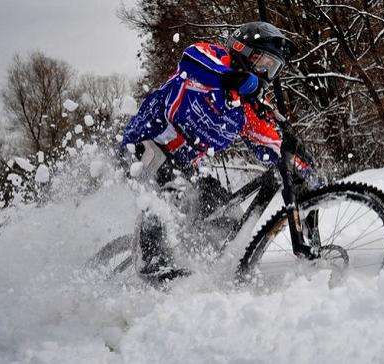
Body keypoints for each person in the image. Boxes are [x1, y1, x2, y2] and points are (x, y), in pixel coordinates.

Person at [120, 22, 312, 282]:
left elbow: (271, 146)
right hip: (145, 143)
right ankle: (153, 262)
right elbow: (191, 60)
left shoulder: (247, 109)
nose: (266, 74)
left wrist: (302, 169)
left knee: (222, 208)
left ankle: (207, 269)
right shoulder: (213, 60)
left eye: (273, 68)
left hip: (184, 166)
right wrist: (232, 78)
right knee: (173, 190)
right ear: (242, 50)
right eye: (263, 62)